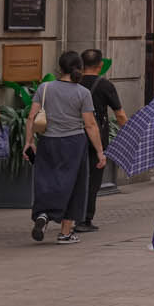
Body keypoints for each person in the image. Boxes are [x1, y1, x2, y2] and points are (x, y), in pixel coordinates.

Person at [28, 52, 104, 243]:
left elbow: (31, 117)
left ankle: (43, 215)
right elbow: (90, 125)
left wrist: (28, 142)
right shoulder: (82, 92)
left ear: (59, 68)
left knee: (46, 179)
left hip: (47, 141)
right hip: (74, 143)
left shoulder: (44, 88)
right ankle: (65, 232)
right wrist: (100, 151)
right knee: (75, 185)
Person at [76, 48, 122, 233]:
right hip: (97, 135)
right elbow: (119, 113)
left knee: (76, 176)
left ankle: (70, 215)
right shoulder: (105, 85)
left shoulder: (74, 82)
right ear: (101, 65)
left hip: (73, 134)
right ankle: (85, 218)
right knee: (93, 179)